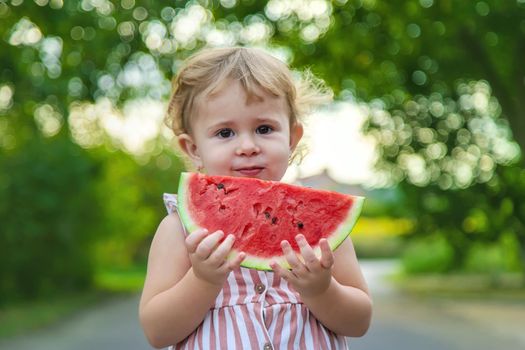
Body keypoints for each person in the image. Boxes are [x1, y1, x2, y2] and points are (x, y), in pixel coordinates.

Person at [139, 46, 372, 349]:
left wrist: (321, 289)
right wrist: (203, 280)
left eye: (264, 128)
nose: (248, 146)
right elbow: (158, 332)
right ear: (193, 148)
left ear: (291, 138)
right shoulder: (178, 230)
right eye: (225, 133)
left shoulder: (315, 232)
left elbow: (359, 322)